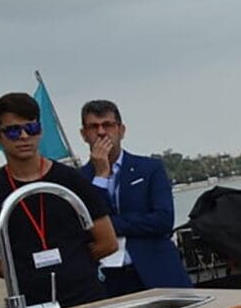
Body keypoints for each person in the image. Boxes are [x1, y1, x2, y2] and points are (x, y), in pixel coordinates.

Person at [0, 92, 117, 308]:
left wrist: (74, 261)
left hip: (86, 298)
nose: (24, 136)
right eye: (13, 131)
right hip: (31, 304)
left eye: (31, 128)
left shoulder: (72, 179)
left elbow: (107, 242)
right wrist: (22, 272)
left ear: (40, 131)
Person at [79, 100, 193, 296]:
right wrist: (100, 176)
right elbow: (83, 230)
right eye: (93, 127)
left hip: (158, 272)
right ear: (84, 134)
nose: (101, 132)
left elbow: (163, 221)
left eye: (107, 125)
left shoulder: (150, 169)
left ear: (121, 130)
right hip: (107, 279)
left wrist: (108, 225)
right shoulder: (77, 180)